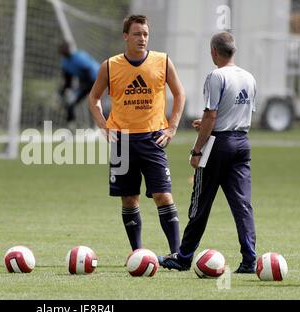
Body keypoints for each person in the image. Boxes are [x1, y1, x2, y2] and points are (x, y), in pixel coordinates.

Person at [159, 31, 258, 273]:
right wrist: (205, 126)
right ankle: (249, 260)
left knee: (200, 203)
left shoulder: (215, 76)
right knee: (242, 204)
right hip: (242, 143)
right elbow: (238, 114)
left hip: (218, 145)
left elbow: (211, 114)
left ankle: (183, 257)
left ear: (213, 51)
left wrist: (197, 149)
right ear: (233, 51)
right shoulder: (249, 77)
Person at [88, 15, 186, 255]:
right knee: (129, 200)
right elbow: (94, 98)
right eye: (136, 34)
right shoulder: (110, 66)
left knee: (163, 196)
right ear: (125, 37)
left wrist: (172, 127)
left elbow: (179, 94)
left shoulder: (162, 61)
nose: (142, 38)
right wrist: (103, 124)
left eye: (145, 34)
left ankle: (177, 254)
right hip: (121, 142)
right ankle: (138, 253)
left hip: (153, 139)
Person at [59, 42, 100, 128]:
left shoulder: (79, 57)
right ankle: (71, 127)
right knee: (70, 103)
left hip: (97, 80)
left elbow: (89, 73)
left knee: (92, 103)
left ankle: (97, 127)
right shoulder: (65, 63)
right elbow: (68, 81)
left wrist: (82, 87)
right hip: (85, 83)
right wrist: (62, 92)